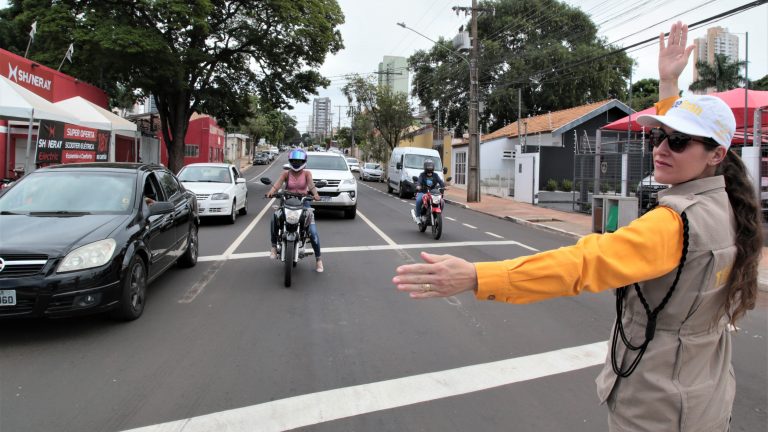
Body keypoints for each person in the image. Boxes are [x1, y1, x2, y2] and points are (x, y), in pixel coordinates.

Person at [392, 21, 762, 432]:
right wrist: (668, 85)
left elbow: (582, 264)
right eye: (658, 137)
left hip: (657, 408)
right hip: (705, 396)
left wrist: (477, 276)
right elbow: (689, 140)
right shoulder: (730, 204)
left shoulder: (673, 225)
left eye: (676, 142)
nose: (660, 148)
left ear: (717, 155)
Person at [266, 148, 324, 273]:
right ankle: (274, 246)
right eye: (294, 160)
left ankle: (318, 259)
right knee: (274, 217)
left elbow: (311, 186)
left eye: (299, 161)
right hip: (287, 202)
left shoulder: (307, 174)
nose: (296, 163)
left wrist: (316, 194)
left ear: (304, 161)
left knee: (313, 232)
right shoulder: (286, 173)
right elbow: (277, 185)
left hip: (303, 203)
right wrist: (271, 192)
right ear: (290, 161)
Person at [411, 159, 446, 223]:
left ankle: (437, 215)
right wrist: (418, 186)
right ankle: (418, 217)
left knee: (442, 201)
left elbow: (440, 182)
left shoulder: (435, 175)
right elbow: (419, 181)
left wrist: (443, 186)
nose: (429, 167)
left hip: (433, 193)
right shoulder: (422, 175)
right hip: (423, 192)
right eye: (428, 166)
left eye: (430, 166)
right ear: (425, 166)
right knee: (419, 200)